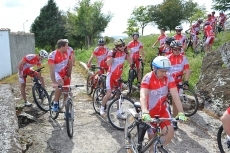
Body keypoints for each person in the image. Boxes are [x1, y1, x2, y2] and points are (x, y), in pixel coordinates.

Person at [140, 56, 187, 152]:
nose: (165, 73)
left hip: (163, 111)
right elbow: (143, 96)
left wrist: (181, 112)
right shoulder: (147, 78)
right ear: (154, 68)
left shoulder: (169, 77)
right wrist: (145, 111)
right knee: (151, 138)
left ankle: (156, 146)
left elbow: (175, 96)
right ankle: (151, 148)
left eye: (166, 71)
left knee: (170, 133)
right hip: (149, 112)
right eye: (162, 71)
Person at [100, 38, 132, 117]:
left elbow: (131, 62)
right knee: (108, 94)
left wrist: (127, 53)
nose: (122, 47)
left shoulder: (124, 53)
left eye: (123, 45)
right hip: (111, 76)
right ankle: (102, 108)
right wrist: (113, 56)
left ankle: (119, 112)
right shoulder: (111, 52)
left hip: (118, 77)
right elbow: (108, 63)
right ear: (116, 46)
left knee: (118, 94)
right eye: (120, 46)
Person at [167, 40, 190, 129]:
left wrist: (186, 81)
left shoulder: (183, 58)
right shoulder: (167, 58)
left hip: (178, 82)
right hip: (168, 81)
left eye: (179, 49)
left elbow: (187, 70)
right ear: (171, 49)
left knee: (175, 101)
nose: (177, 51)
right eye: (175, 49)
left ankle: (175, 120)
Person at [48, 39, 73, 112]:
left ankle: (67, 111)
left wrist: (68, 75)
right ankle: (55, 103)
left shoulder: (68, 52)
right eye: (66, 46)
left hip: (65, 73)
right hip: (57, 73)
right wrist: (54, 82)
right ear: (62, 47)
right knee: (60, 83)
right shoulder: (52, 55)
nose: (68, 47)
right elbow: (52, 70)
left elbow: (70, 64)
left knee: (66, 91)